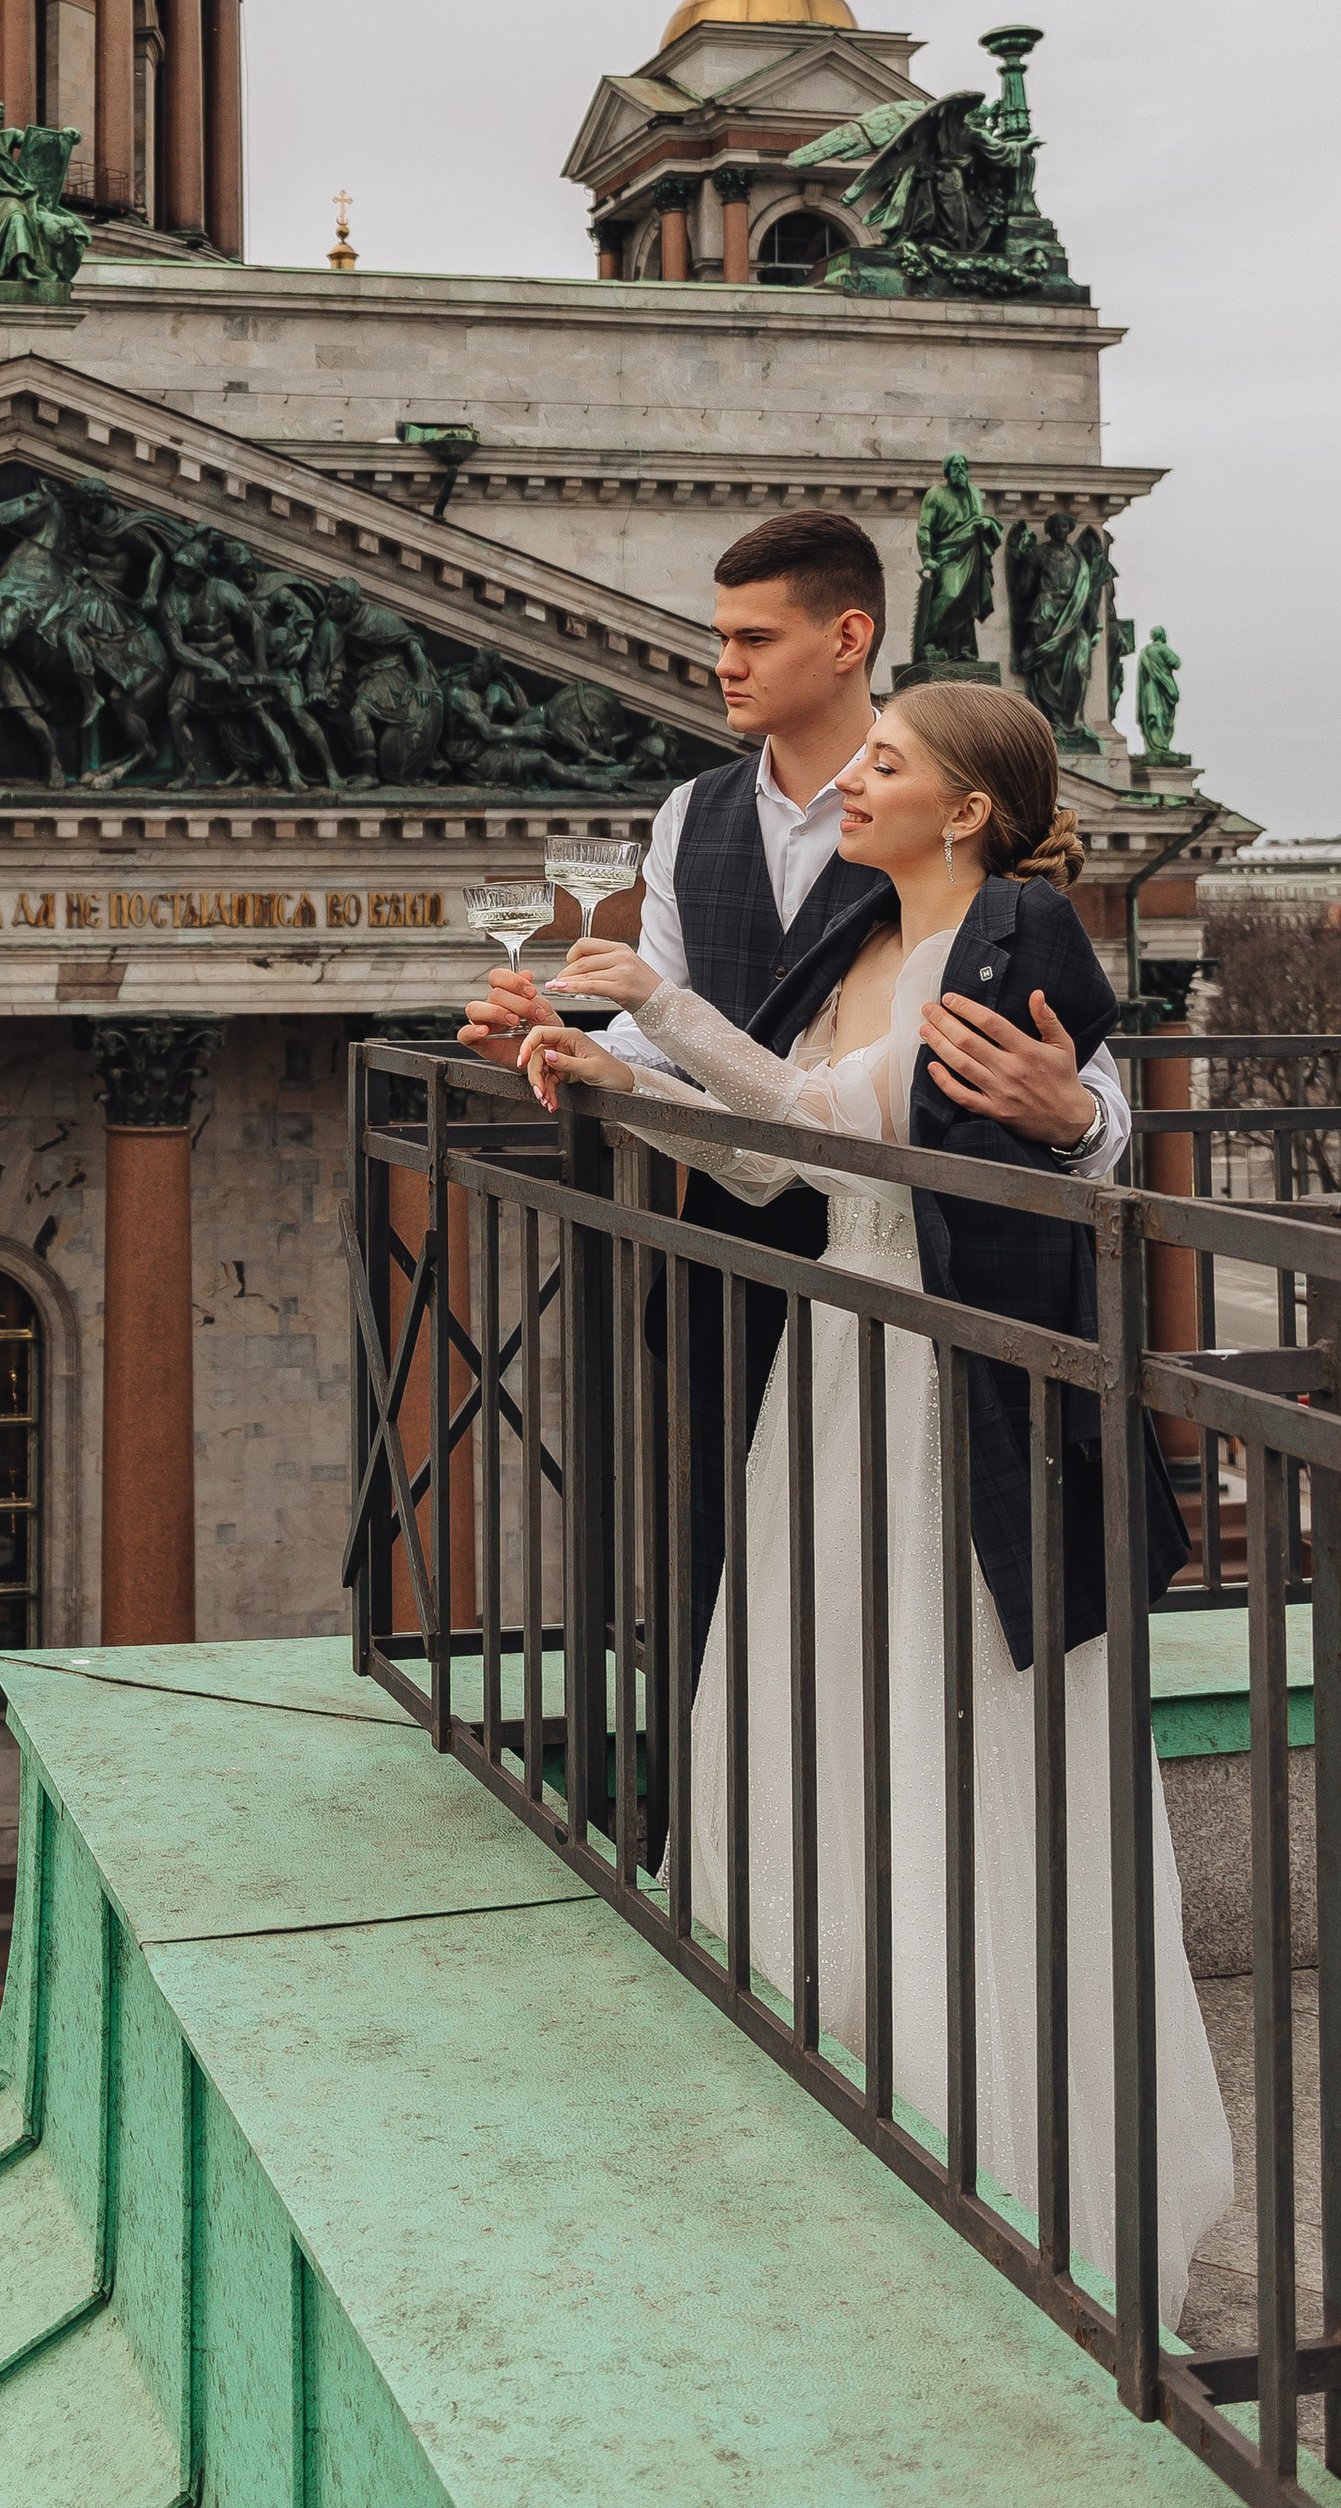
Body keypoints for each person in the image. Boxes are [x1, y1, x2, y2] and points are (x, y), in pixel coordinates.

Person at [494, 682, 1232, 2323]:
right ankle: (840, 2117)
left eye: (885, 767)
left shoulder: (1013, 934)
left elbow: (903, 1118)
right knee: (816, 1734)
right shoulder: (860, 949)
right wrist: (595, 1069)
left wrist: (656, 1009)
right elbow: (778, 1167)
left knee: (941, 1743)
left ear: (961, 809)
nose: (854, 787)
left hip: (938, 1400)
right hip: (834, 1377)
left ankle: (993, 2169)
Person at [470, 511, 1130, 1633]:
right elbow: (755, 1097)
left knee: (907, 1612)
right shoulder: (693, 812)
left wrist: (1072, 1118)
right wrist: (575, 1045)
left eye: (754, 638)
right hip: (725, 1268)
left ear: (847, 637)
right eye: (719, 634)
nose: (720, 662)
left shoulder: (961, 859)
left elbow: (1082, 1091)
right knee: (740, 1595)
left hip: (923, 1302)